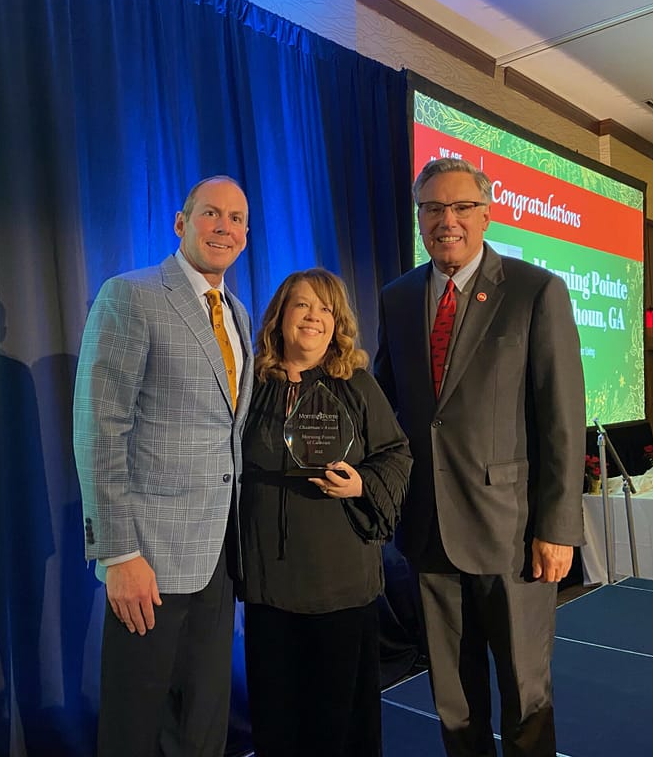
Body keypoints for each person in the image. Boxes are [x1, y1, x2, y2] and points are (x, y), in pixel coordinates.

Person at [374, 158, 586, 757]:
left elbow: (561, 422)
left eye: (462, 207)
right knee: (455, 702)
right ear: (419, 217)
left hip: (514, 536)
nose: (448, 221)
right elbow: (383, 404)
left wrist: (557, 526)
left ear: (487, 213)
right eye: (433, 208)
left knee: (526, 695)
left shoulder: (535, 289)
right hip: (430, 533)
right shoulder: (397, 298)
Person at [73, 175, 252, 757]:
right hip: (147, 560)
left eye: (236, 218)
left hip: (218, 561)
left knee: (201, 729)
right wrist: (118, 554)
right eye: (211, 214)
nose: (224, 226)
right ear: (181, 223)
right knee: (131, 730)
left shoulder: (239, 316)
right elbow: (101, 429)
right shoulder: (132, 295)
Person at [238, 268, 412, 757]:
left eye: (326, 309)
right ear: (280, 315)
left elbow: (397, 454)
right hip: (269, 585)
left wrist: (362, 484)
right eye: (303, 306)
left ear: (337, 324)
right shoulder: (250, 383)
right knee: (277, 720)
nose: (314, 318)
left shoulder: (355, 383)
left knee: (339, 725)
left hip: (340, 583)